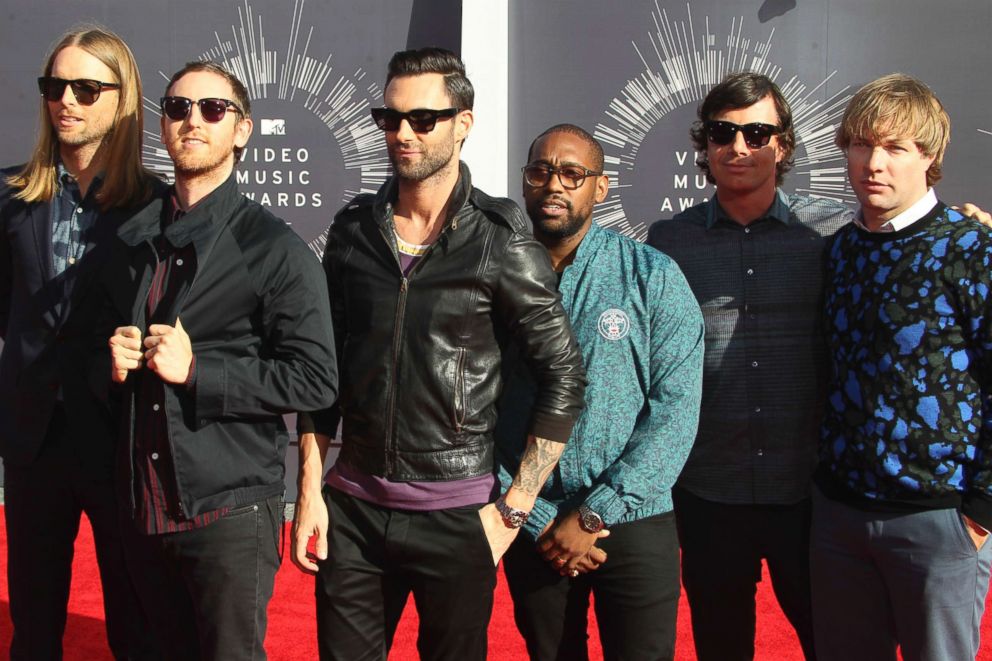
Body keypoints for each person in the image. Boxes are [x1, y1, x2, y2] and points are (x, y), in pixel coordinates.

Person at [291, 47, 586, 661]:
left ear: (464, 123)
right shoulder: (351, 233)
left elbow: (563, 375)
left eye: (424, 119)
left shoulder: (501, 239)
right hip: (353, 512)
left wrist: (513, 511)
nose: (403, 133)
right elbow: (322, 374)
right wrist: (312, 492)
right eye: (390, 118)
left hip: (458, 515)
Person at [106, 61, 337, 660]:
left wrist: (197, 371)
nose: (192, 121)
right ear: (163, 125)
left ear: (242, 130)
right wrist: (114, 361)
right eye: (178, 108)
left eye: (213, 109)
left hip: (228, 513)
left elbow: (315, 380)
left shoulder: (275, 249)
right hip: (143, 507)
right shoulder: (135, 241)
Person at [647, 72, 851, 660]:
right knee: (721, 645)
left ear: (782, 145)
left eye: (757, 133)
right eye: (723, 132)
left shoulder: (832, 232)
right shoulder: (669, 241)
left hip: (812, 490)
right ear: (704, 145)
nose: (740, 147)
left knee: (835, 642)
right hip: (710, 490)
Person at [496, 124, 703, 660]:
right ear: (524, 181)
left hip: (631, 519)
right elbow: (471, 408)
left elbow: (676, 410)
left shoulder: (651, 275)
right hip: (531, 522)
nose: (554, 186)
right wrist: (537, 517)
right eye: (540, 172)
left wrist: (594, 515)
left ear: (601, 187)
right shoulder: (494, 277)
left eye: (572, 174)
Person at [811, 73, 992, 661]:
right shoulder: (839, 251)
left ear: (930, 157)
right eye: (861, 144)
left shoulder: (972, 248)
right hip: (840, 517)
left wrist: (980, 516)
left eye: (895, 147)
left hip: (938, 521)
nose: (874, 163)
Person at [0, 26, 159, 661]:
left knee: (134, 620)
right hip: (33, 437)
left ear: (121, 100)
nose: (66, 99)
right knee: (34, 621)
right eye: (54, 86)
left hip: (119, 435)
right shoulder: (11, 196)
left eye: (86, 88)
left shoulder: (156, 204)